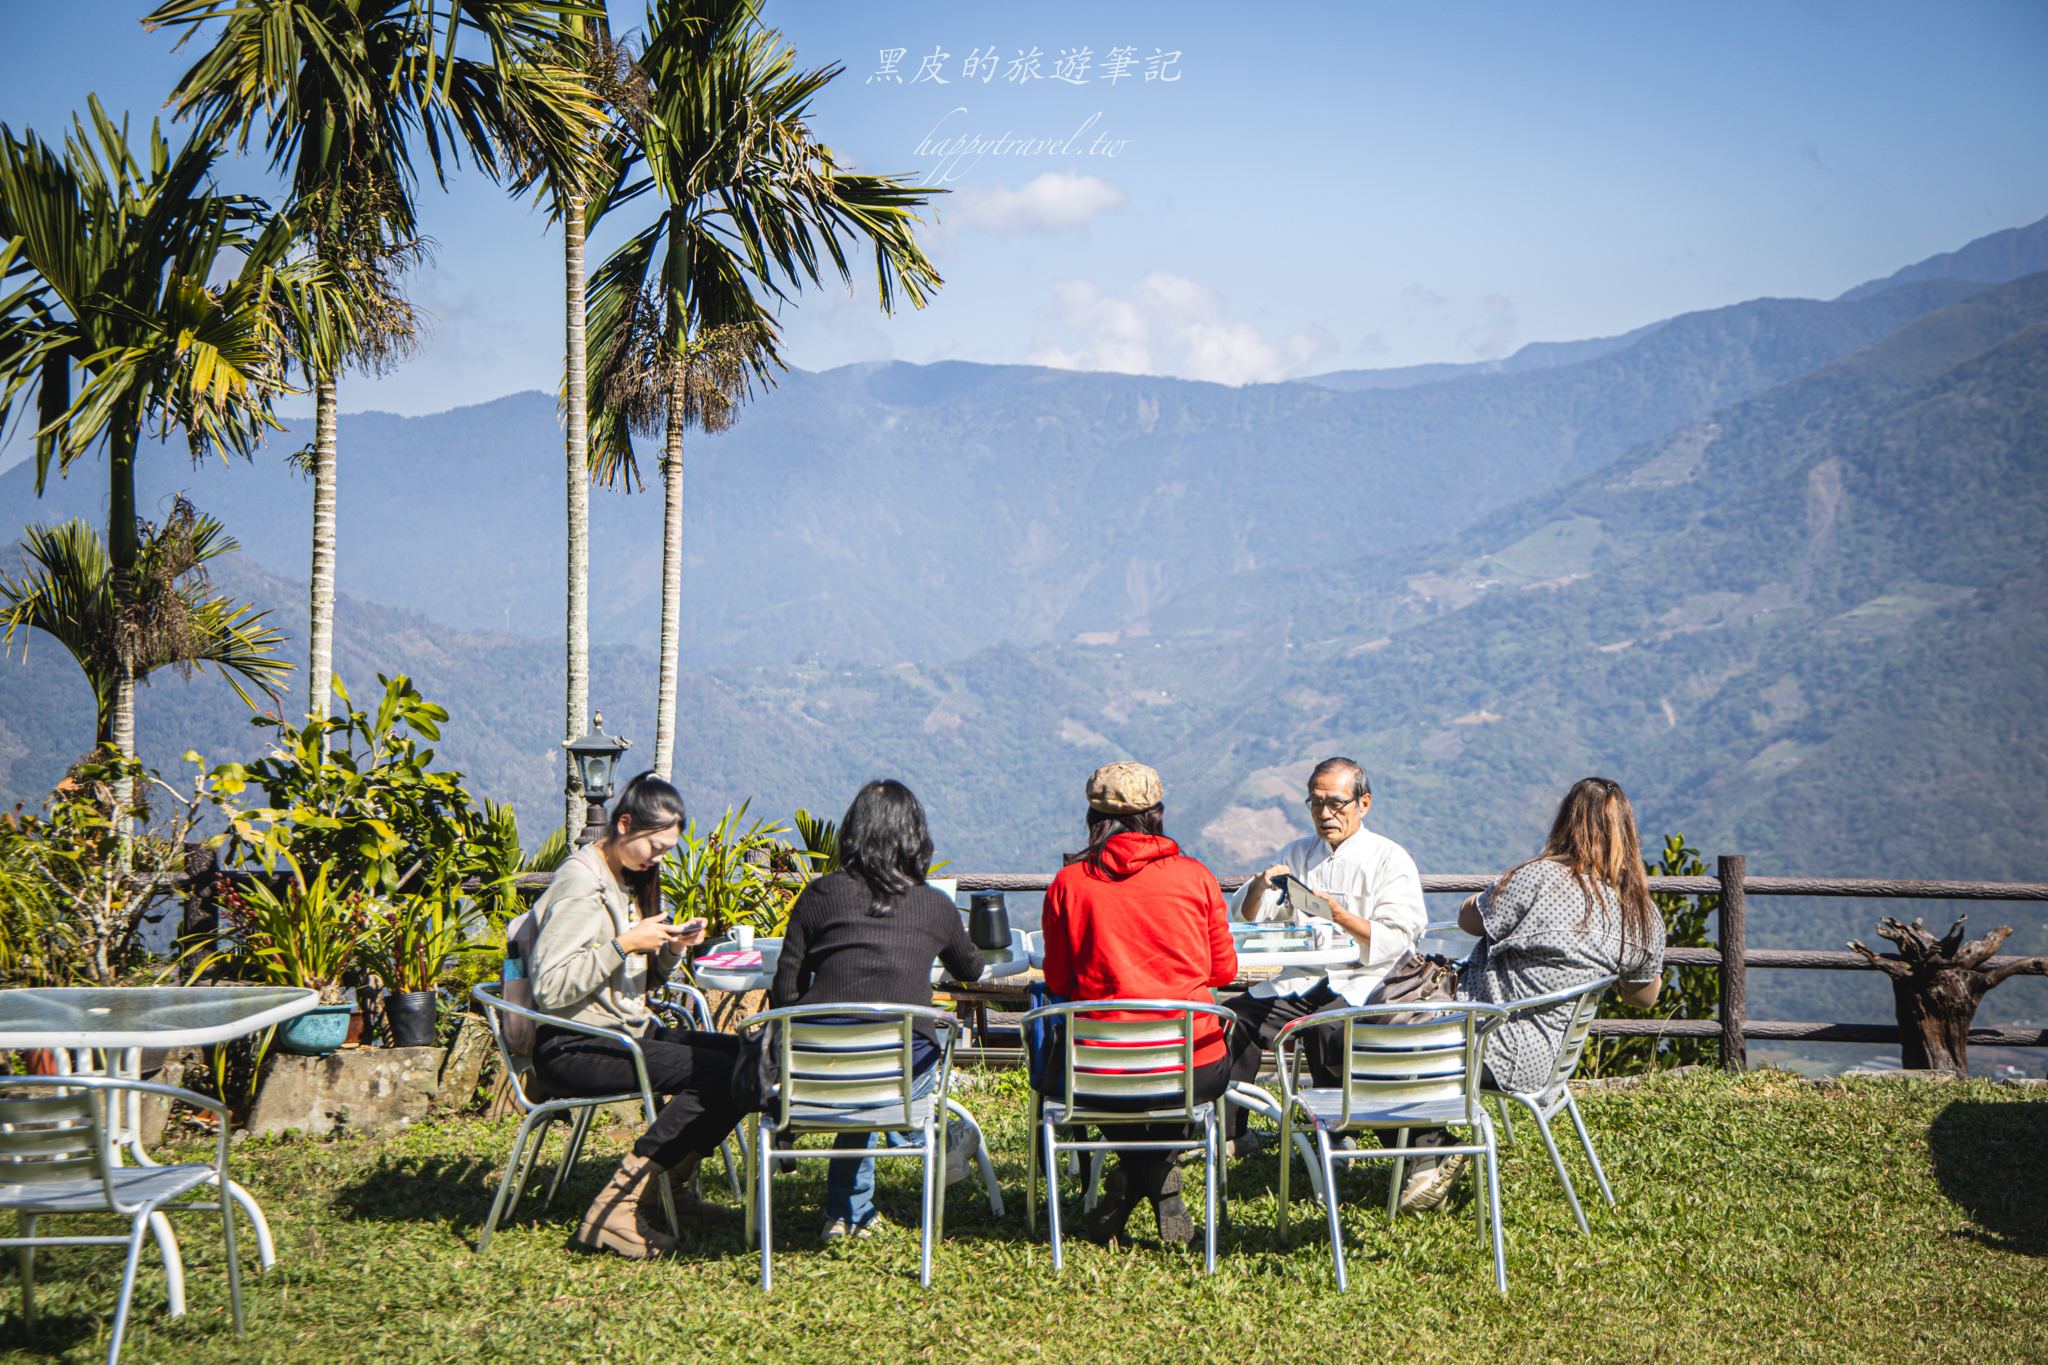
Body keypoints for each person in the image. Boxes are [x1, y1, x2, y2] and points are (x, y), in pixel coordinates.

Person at [1396, 776, 1668, 1212]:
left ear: (1566, 823)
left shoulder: (1536, 878)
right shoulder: (1639, 910)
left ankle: (1429, 1146)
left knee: (1362, 1038)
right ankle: (1424, 1149)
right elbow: (1644, 997)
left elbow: (1470, 922)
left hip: (1489, 1046)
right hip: (1552, 1061)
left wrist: (1478, 900)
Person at [530, 773, 744, 1258]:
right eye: (656, 846)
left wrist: (668, 949)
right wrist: (624, 943)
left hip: (621, 1030)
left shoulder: (624, 881)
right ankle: (614, 1209)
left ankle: (665, 1188)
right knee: (715, 1075)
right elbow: (549, 989)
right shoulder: (582, 882)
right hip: (575, 1044)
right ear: (624, 824)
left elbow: (637, 985)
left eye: (668, 850)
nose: (659, 859)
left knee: (748, 1059)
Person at [768, 779, 985, 1241]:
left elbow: (785, 991)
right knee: (907, 1054)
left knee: (862, 1069)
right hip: (897, 1066)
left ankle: (846, 1213)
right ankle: (935, 1138)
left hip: (816, 1065)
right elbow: (971, 968)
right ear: (916, 837)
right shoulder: (933, 904)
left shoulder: (819, 895)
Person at [1038, 761, 1238, 1247]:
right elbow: (1223, 972)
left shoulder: (1069, 884)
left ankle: (1136, 1176)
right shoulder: (1197, 878)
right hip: (1192, 1062)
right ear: (1157, 814)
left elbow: (1060, 980)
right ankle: (1158, 1174)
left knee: (1081, 1074)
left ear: (1094, 818)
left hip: (1097, 1069)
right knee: (1180, 1077)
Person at [1224, 757, 1426, 1124]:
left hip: (1366, 981)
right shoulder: (1298, 853)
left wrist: (1339, 916)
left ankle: (1334, 1130)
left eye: (1335, 803)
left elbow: (1397, 938)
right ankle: (1232, 1130)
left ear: (1363, 804)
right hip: (1304, 977)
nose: (1324, 813)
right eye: (1316, 803)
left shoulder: (1389, 859)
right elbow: (1255, 915)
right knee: (1237, 1017)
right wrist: (1259, 886)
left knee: (1326, 1027)